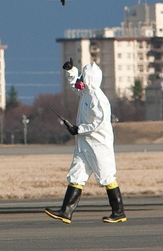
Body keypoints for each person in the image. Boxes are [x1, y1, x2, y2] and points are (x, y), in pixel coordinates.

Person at [44, 59, 127, 224]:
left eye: (83, 76)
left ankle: (118, 212)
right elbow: (75, 85)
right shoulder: (86, 93)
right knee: (76, 175)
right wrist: (70, 71)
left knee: (106, 177)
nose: (80, 80)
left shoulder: (99, 99)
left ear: (89, 79)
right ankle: (66, 211)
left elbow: (99, 123)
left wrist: (78, 129)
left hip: (98, 145)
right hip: (84, 144)